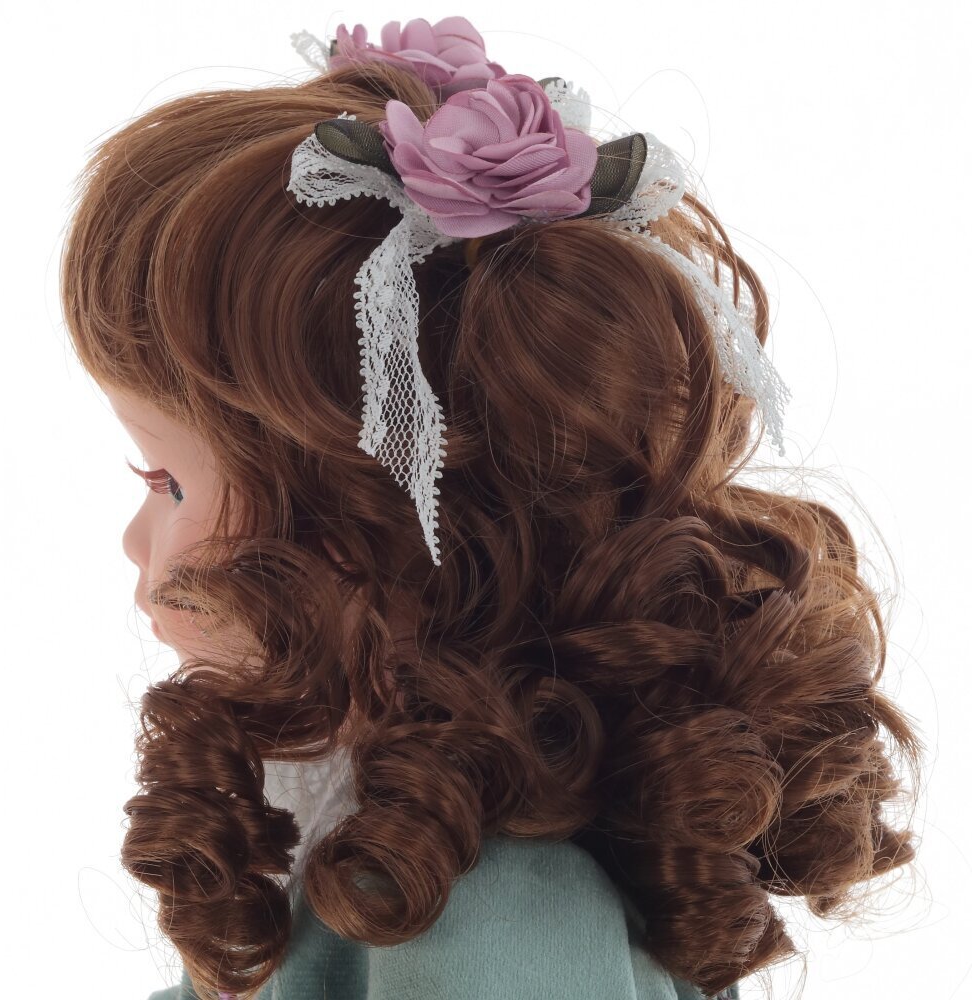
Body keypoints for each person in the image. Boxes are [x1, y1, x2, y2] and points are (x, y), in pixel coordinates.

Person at [60, 15, 924, 1000]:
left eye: (166, 484)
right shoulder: (378, 828)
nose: (136, 541)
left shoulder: (492, 911)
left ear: (371, 527)